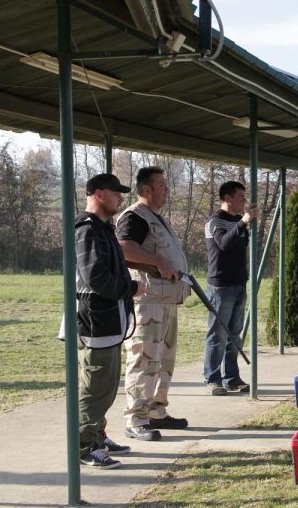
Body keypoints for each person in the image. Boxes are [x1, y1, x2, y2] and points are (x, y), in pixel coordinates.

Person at [69, 173, 145, 469]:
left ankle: (97, 436)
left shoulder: (102, 228)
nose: (121, 198)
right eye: (116, 193)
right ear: (99, 194)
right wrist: (131, 288)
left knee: (107, 385)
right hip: (95, 321)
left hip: (107, 321)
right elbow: (96, 279)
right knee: (95, 387)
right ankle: (85, 446)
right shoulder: (86, 229)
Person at [116, 167, 190, 439]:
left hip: (166, 301)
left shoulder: (156, 218)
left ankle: (156, 412)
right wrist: (158, 261)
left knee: (164, 360)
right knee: (144, 359)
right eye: (162, 185)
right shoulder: (135, 216)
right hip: (147, 302)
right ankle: (136, 418)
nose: (166, 189)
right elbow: (123, 246)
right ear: (146, 189)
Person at [202, 181, 258, 395]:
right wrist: (244, 221)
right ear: (227, 198)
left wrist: (244, 223)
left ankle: (232, 378)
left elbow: (241, 246)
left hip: (239, 284)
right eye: (240, 196)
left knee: (235, 334)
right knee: (217, 334)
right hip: (220, 286)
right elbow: (224, 243)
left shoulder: (238, 222)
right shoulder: (215, 221)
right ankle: (212, 378)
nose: (244, 200)